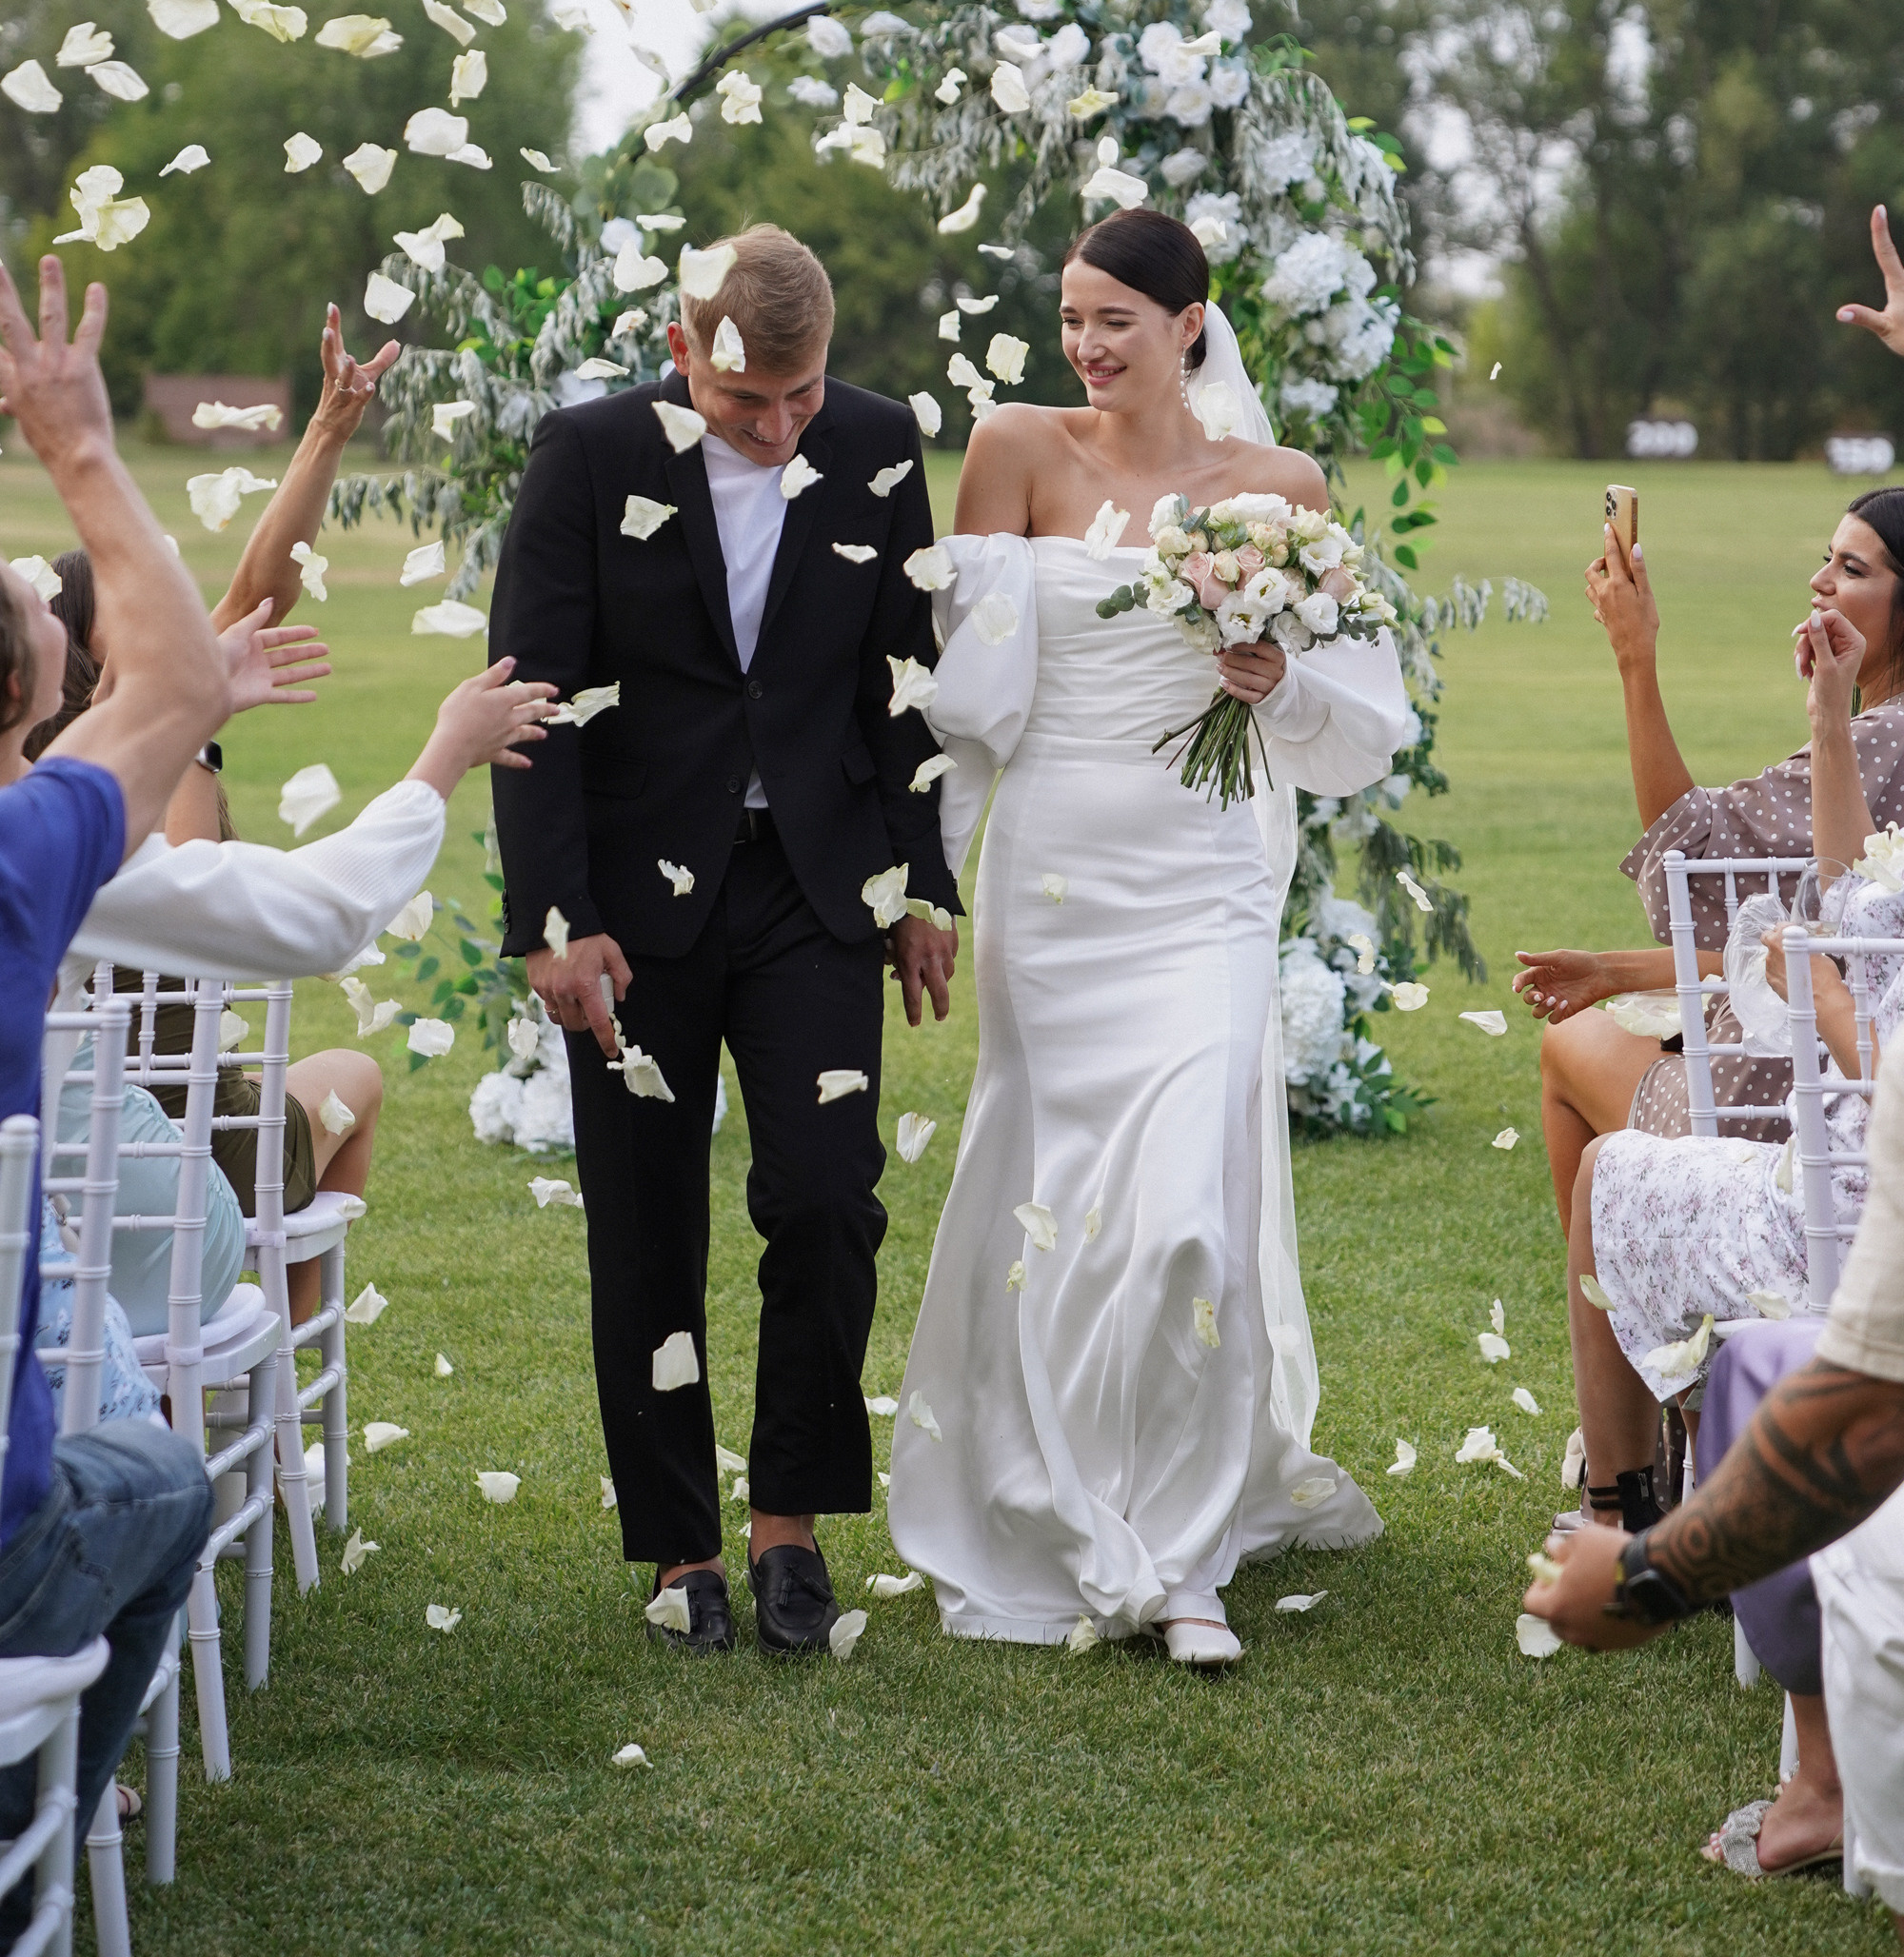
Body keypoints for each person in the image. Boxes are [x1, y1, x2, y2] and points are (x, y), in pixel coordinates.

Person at [886, 209, 1410, 1666]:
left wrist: (1272, 682)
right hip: (1054, 879)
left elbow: (1357, 723)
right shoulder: (1013, 452)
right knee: (1057, 1205)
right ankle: (1059, 1499)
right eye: (1072, 317)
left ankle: (1184, 1561)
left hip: (1203, 884)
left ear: (1193, 322)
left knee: (1187, 1212)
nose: (1088, 345)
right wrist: (928, 879)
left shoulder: (1278, 487)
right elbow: (962, 701)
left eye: (1117, 317)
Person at [486, 223, 962, 1657]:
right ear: (684, 347)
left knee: (826, 1195)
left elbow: (905, 689)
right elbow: (537, 700)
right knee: (645, 1214)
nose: (777, 430)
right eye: (748, 403)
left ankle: (791, 1525)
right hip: (633, 906)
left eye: (801, 400)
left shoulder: (879, 445)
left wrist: (919, 885)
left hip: (814, 888)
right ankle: (682, 1543)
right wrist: (556, 923)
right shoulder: (586, 456)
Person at [26, 303, 399, 1322]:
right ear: (104, 649)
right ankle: (280, 1347)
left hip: (50, 1142)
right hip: (186, 1145)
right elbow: (201, 930)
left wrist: (325, 429)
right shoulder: (159, 757)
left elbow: (259, 588)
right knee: (355, 1072)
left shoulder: (46, 772)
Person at [0, 254, 224, 1930]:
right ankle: (39, 1864)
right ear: (29, 698)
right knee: (160, 1481)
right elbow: (179, 688)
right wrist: (75, 442)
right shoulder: (24, 861)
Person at [1526, 1038, 1904, 1930]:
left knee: (1761, 1367)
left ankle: (1823, 1784)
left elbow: (1870, 1406)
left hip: (1841, 1182)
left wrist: (1652, 1575)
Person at [1564, 596, 1895, 1533]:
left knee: (1605, 1171)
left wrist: (1819, 990)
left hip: (1844, 1232)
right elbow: (1847, 892)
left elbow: (1889, 1094)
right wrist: (1828, 715)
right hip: (1832, 1193)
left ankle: (1620, 1514)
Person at [1517, 491, 1904, 1228]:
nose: (1821, 581)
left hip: (1787, 1102)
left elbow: (1693, 861)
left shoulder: (1882, 740)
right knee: (1592, 1028)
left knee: (1568, 1046)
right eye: (1824, 559)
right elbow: (1822, 942)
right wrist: (1613, 971)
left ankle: (1620, 1302)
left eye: (1851, 568)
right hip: (1852, 1075)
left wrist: (1635, 654)